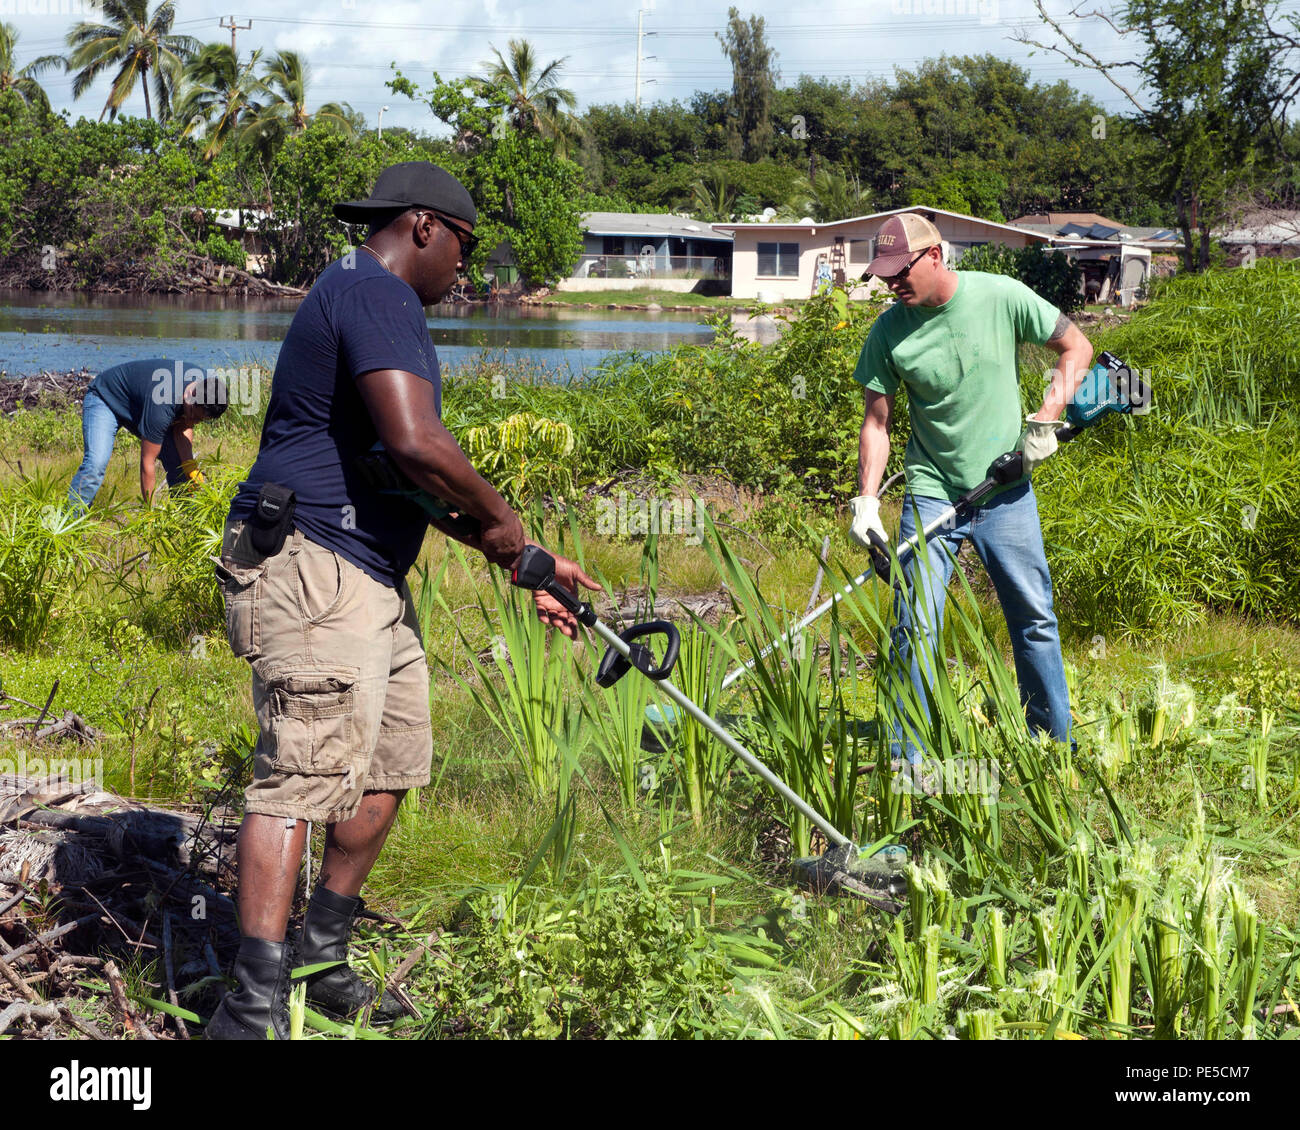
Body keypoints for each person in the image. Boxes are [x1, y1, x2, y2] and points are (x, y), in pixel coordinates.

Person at [207, 161, 598, 1041]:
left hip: (369, 574)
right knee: (298, 777)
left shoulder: (370, 300)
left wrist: (522, 558)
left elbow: (400, 473)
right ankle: (252, 1006)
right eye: (465, 246)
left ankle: (320, 954)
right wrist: (507, 523)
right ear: (425, 226)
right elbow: (420, 445)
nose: (466, 267)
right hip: (313, 566)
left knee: (391, 765)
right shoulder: (376, 293)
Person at [848, 213, 1094, 766]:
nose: (892, 284)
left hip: (1005, 491)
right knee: (915, 624)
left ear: (934, 256)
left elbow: (1076, 348)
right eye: (884, 275)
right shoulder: (888, 331)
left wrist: (1045, 417)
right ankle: (906, 758)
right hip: (932, 491)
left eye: (899, 271)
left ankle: (1052, 747)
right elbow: (877, 423)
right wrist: (867, 501)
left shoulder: (1000, 296)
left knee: (1032, 617)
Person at [67, 359, 226, 506]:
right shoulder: (163, 403)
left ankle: (187, 523)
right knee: (96, 463)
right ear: (190, 396)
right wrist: (150, 511)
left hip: (139, 405)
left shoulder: (208, 388)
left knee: (179, 465)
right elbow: (147, 462)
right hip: (105, 398)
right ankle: (70, 520)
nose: (192, 422)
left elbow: (182, 427)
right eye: (192, 415)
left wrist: (190, 467)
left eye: (199, 420)